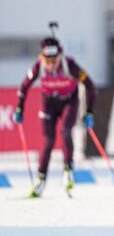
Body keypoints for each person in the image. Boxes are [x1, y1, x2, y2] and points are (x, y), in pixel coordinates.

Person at [13, 37, 96, 197]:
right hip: (48, 102)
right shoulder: (39, 67)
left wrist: (89, 112)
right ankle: (41, 178)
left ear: (60, 56)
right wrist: (19, 108)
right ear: (42, 58)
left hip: (68, 101)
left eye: (54, 60)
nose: (51, 65)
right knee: (48, 139)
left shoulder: (69, 65)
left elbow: (90, 86)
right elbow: (24, 87)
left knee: (66, 131)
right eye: (47, 61)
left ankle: (68, 170)